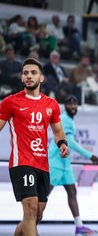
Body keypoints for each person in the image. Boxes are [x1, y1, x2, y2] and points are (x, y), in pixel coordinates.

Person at [0, 58, 70, 236]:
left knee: (36, 215)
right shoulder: (10, 102)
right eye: (25, 73)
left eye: (33, 73)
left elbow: (58, 131)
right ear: (22, 78)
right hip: (22, 162)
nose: (29, 76)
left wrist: (62, 143)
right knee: (30, 210)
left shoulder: (51, 104)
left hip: (42, 165)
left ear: (42, 78)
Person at [48, 95, 98, 235]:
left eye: (75, 104)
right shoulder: (65, 119)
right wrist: (90, 155)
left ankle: (79, 226)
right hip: (55, 161)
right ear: (65, 107)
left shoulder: (69, 120)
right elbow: (69, 142)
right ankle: (27, 224)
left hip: (65, 164)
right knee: (44, 195)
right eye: (70, 104)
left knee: (72, 192)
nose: (73, 106)